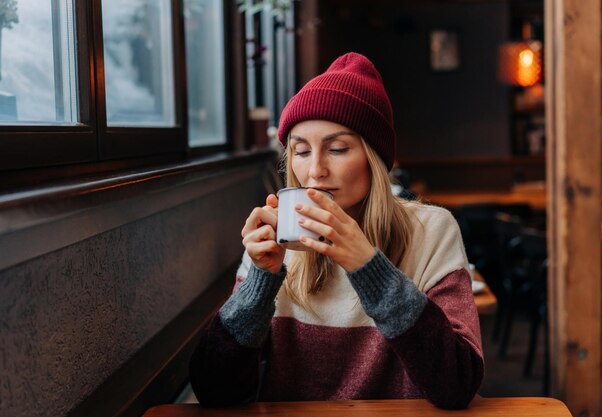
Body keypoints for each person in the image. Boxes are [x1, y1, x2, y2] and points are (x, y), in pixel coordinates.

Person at [189, 52, 483, 409]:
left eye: (338, 148)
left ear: (374, 159)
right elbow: (216, 393)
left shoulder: (431, 230)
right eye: (300, 151)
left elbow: (457, 386)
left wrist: (368, 266)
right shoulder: (280, 236)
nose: (315, 170)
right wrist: (260, 282)